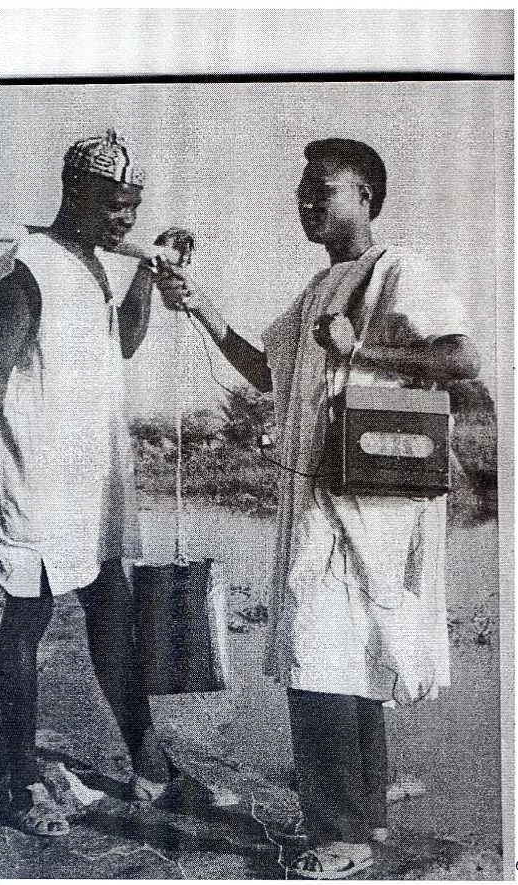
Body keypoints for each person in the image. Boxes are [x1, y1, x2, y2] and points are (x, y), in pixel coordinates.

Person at [156, 137, 480, 879]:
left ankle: (338, 834)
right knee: (346, 652)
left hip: (370, 499)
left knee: (319, 654)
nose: (306, 200)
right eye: (301, 189)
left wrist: (363, 353)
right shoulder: (319, 285)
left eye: (322, 189)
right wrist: (195, 301)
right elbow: (263, 367)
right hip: (319, 499)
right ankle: (363, 816)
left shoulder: (397, 269)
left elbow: (461, 358)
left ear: (364, 195)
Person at [0, 129, 183, 837]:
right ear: (75, 191)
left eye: (133, 207)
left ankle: (151, 764)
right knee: (27, 618)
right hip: (35, 473)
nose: (126, 220)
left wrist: (148, 268)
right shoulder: (27, 267)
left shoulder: (95, 263)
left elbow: (123, 340)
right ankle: (21, 779)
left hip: (92, 473)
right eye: (115, 204)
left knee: (110, 602)